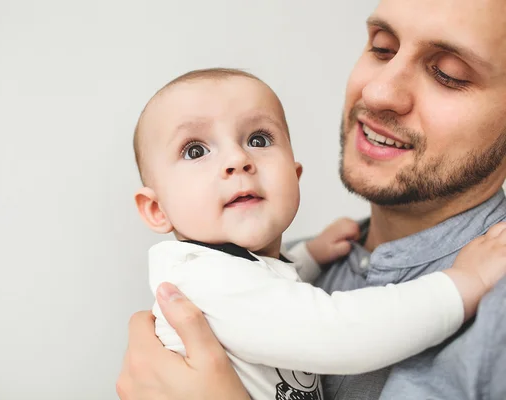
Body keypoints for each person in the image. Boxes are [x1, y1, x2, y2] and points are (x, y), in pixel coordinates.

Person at [117, 0, 506, 398]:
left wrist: (310, 257)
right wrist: (463, 283)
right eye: (382, 48)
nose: (378, 92)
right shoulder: (208, 279)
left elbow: (269, 286)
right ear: (155, 208)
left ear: (295, 172)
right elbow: (341, 332)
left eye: (448, 74)